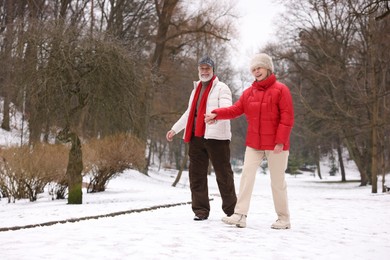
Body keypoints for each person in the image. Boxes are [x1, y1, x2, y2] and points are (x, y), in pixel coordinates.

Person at [205, 53, 294, 229]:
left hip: (277, 145)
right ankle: (240, 215)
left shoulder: (281, 90)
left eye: (259, 68)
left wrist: (280, 141)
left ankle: (284, 219)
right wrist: (217, 114)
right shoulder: (249, 93)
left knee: (277, 181)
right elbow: (235, 110)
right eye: (253, 69)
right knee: (246, 176)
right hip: (254, 144)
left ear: (268, 68)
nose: (256, 71)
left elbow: (287, 118)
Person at [166, 55, 237, 221]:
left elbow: (227, 108)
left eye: (208, 68)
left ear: (213, 70)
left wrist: (215, 115)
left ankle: (232, 211)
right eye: (202, 68)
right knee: (196, 175)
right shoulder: (195, 90)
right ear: (198, 70)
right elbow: (190, 113)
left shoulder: (222, 88)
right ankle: (201, 210)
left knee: (223, 174)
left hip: (217, 137)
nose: (204, 71)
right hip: (196, 137)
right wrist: (174, 129)